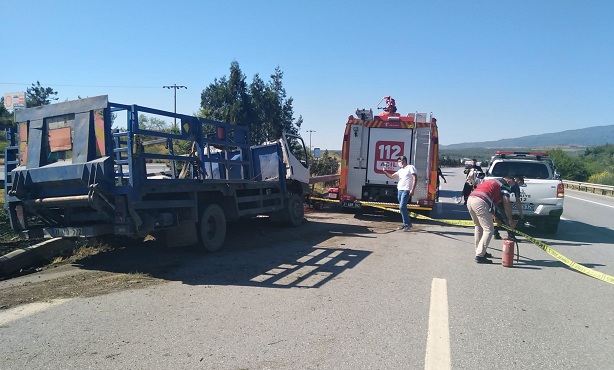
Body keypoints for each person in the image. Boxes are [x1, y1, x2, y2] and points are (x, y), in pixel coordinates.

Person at [466, 174, 518, 263]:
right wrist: (510, 220)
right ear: (509, 181)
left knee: (478, 226)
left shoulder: (493, 181)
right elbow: (506, 203)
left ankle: (480, 251)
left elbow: (492, 202)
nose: (510, 187)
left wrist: (495, 217)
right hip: (481, 201)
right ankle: (480, 255)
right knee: (489, 230)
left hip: (471, 199)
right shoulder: (505, 184)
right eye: (511, 185)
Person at [383, 155, 417, 231]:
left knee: (402, 207)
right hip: (400, 190)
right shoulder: (400, 170)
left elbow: (414, 177)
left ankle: (407, 224)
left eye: (399, 161)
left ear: (404, 161)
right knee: (402, 208)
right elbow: (392, 176)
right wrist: (385, 171)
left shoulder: (410, 167)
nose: (398, 163)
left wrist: (412, 189)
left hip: (406, 190)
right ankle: (406, 224)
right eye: (398, 161)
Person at [494, 175, 525, 239]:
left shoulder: (501, 181)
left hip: (494, 199)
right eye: (520, 184)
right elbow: (517, 200)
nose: (519, 185)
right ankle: (511, 235)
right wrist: (521, 213)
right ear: (519, 181)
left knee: (497, 217)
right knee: (507, 218)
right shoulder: (516, 186)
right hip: (501, 200)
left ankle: (495, 233)